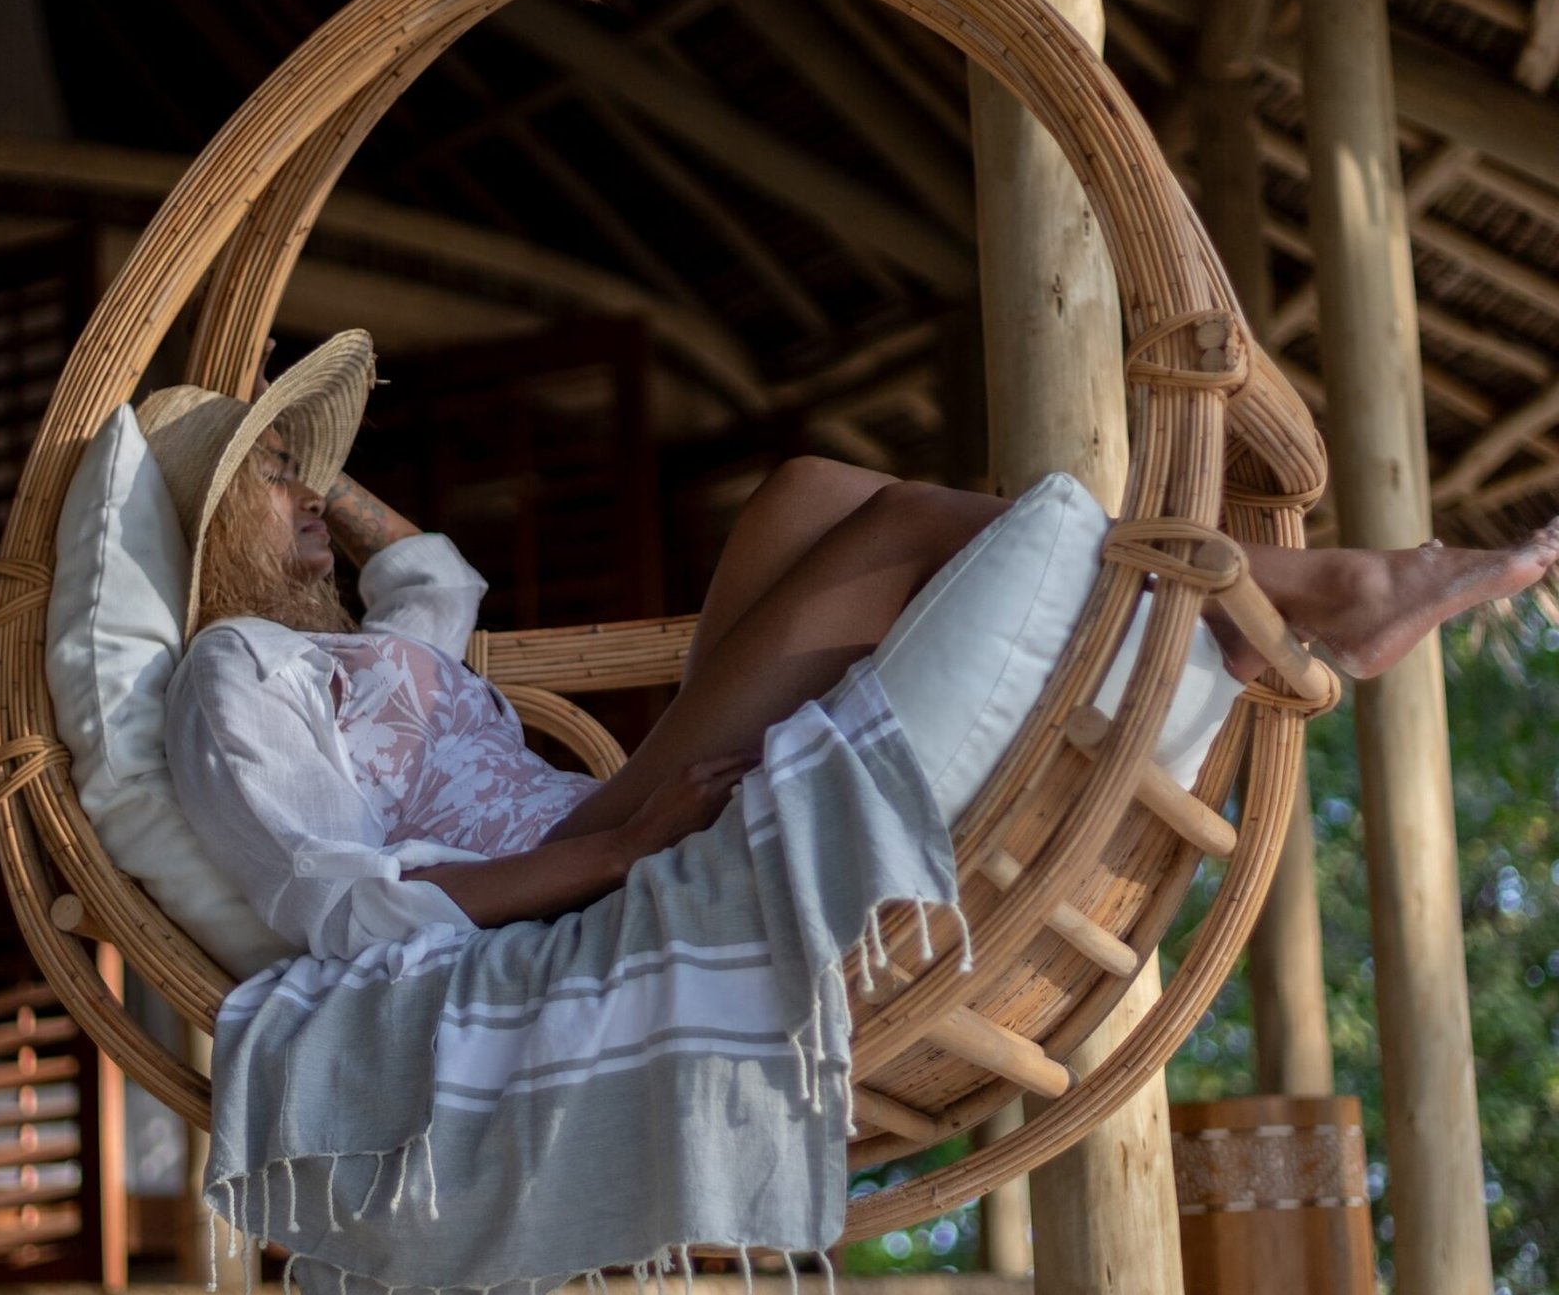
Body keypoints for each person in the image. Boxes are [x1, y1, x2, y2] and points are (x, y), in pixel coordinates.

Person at [141, 331, 1559, 964]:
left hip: (618, 806)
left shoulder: (346, 655)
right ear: (214, 552)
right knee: (896, 536)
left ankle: (1270, 596)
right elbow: (343, 910)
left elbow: (435, 576)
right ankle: (1327, 586)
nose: (306, 494)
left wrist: (305, 482)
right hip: (587, 874)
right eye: (271, 486)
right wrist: (615, 856)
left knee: (813, 489)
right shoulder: (231, 679)